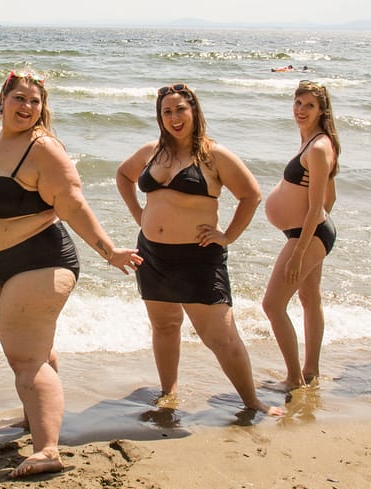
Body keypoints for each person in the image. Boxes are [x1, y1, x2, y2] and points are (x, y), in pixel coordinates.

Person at [0, 71, 142, 478]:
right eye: (19, 98)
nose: (27, 107)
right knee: (31, 350)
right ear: (2, 99)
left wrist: (109, 251)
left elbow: (73, 204)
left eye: (35, 101)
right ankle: (36, 418)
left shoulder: (44, 150)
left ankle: (47, 450)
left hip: (39, 261)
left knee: (25, 355)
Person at [115, 83, 282, 417]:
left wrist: (227, 235)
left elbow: (251, 195)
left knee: (220, 336)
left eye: (180, 110)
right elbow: (122, 175)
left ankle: (253, 401)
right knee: (164, 326)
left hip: (197, 258)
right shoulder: (152, 151)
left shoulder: (213, 155)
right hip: (152, 254)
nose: (174, 118)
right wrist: (140, 215)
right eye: (167, 111)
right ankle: (169, 391)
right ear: (159, 116)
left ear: (194, 111)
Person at [262, 80, 341, 391]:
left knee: (272, 305)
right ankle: (310, 371)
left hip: (308, 234)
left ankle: (294, 378)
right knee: (309, 299)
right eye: (298, 103)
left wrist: (300, 251)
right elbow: (330, 196)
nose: (301, 110)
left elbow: (316, 207)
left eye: (309, 105)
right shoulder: (311, 141)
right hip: (309, 233)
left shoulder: (319, 147)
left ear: (322, 109)